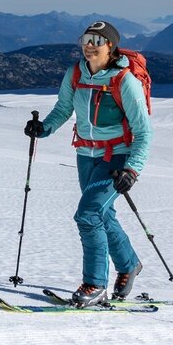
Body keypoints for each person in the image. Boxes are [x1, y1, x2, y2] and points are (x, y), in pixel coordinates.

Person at [23, 21, 152, 308]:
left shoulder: (124, 80)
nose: (89, 44)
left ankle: (95, 284)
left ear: (111, 47)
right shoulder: (76, 73)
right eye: (86, 38)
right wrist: (43, 129)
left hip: (117, 156)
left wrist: (132, 169)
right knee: (102, 215)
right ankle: (129, 264)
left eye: (97, 40)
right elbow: (63, 108)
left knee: (88, 214)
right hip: (85, 154)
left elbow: (143, 131)